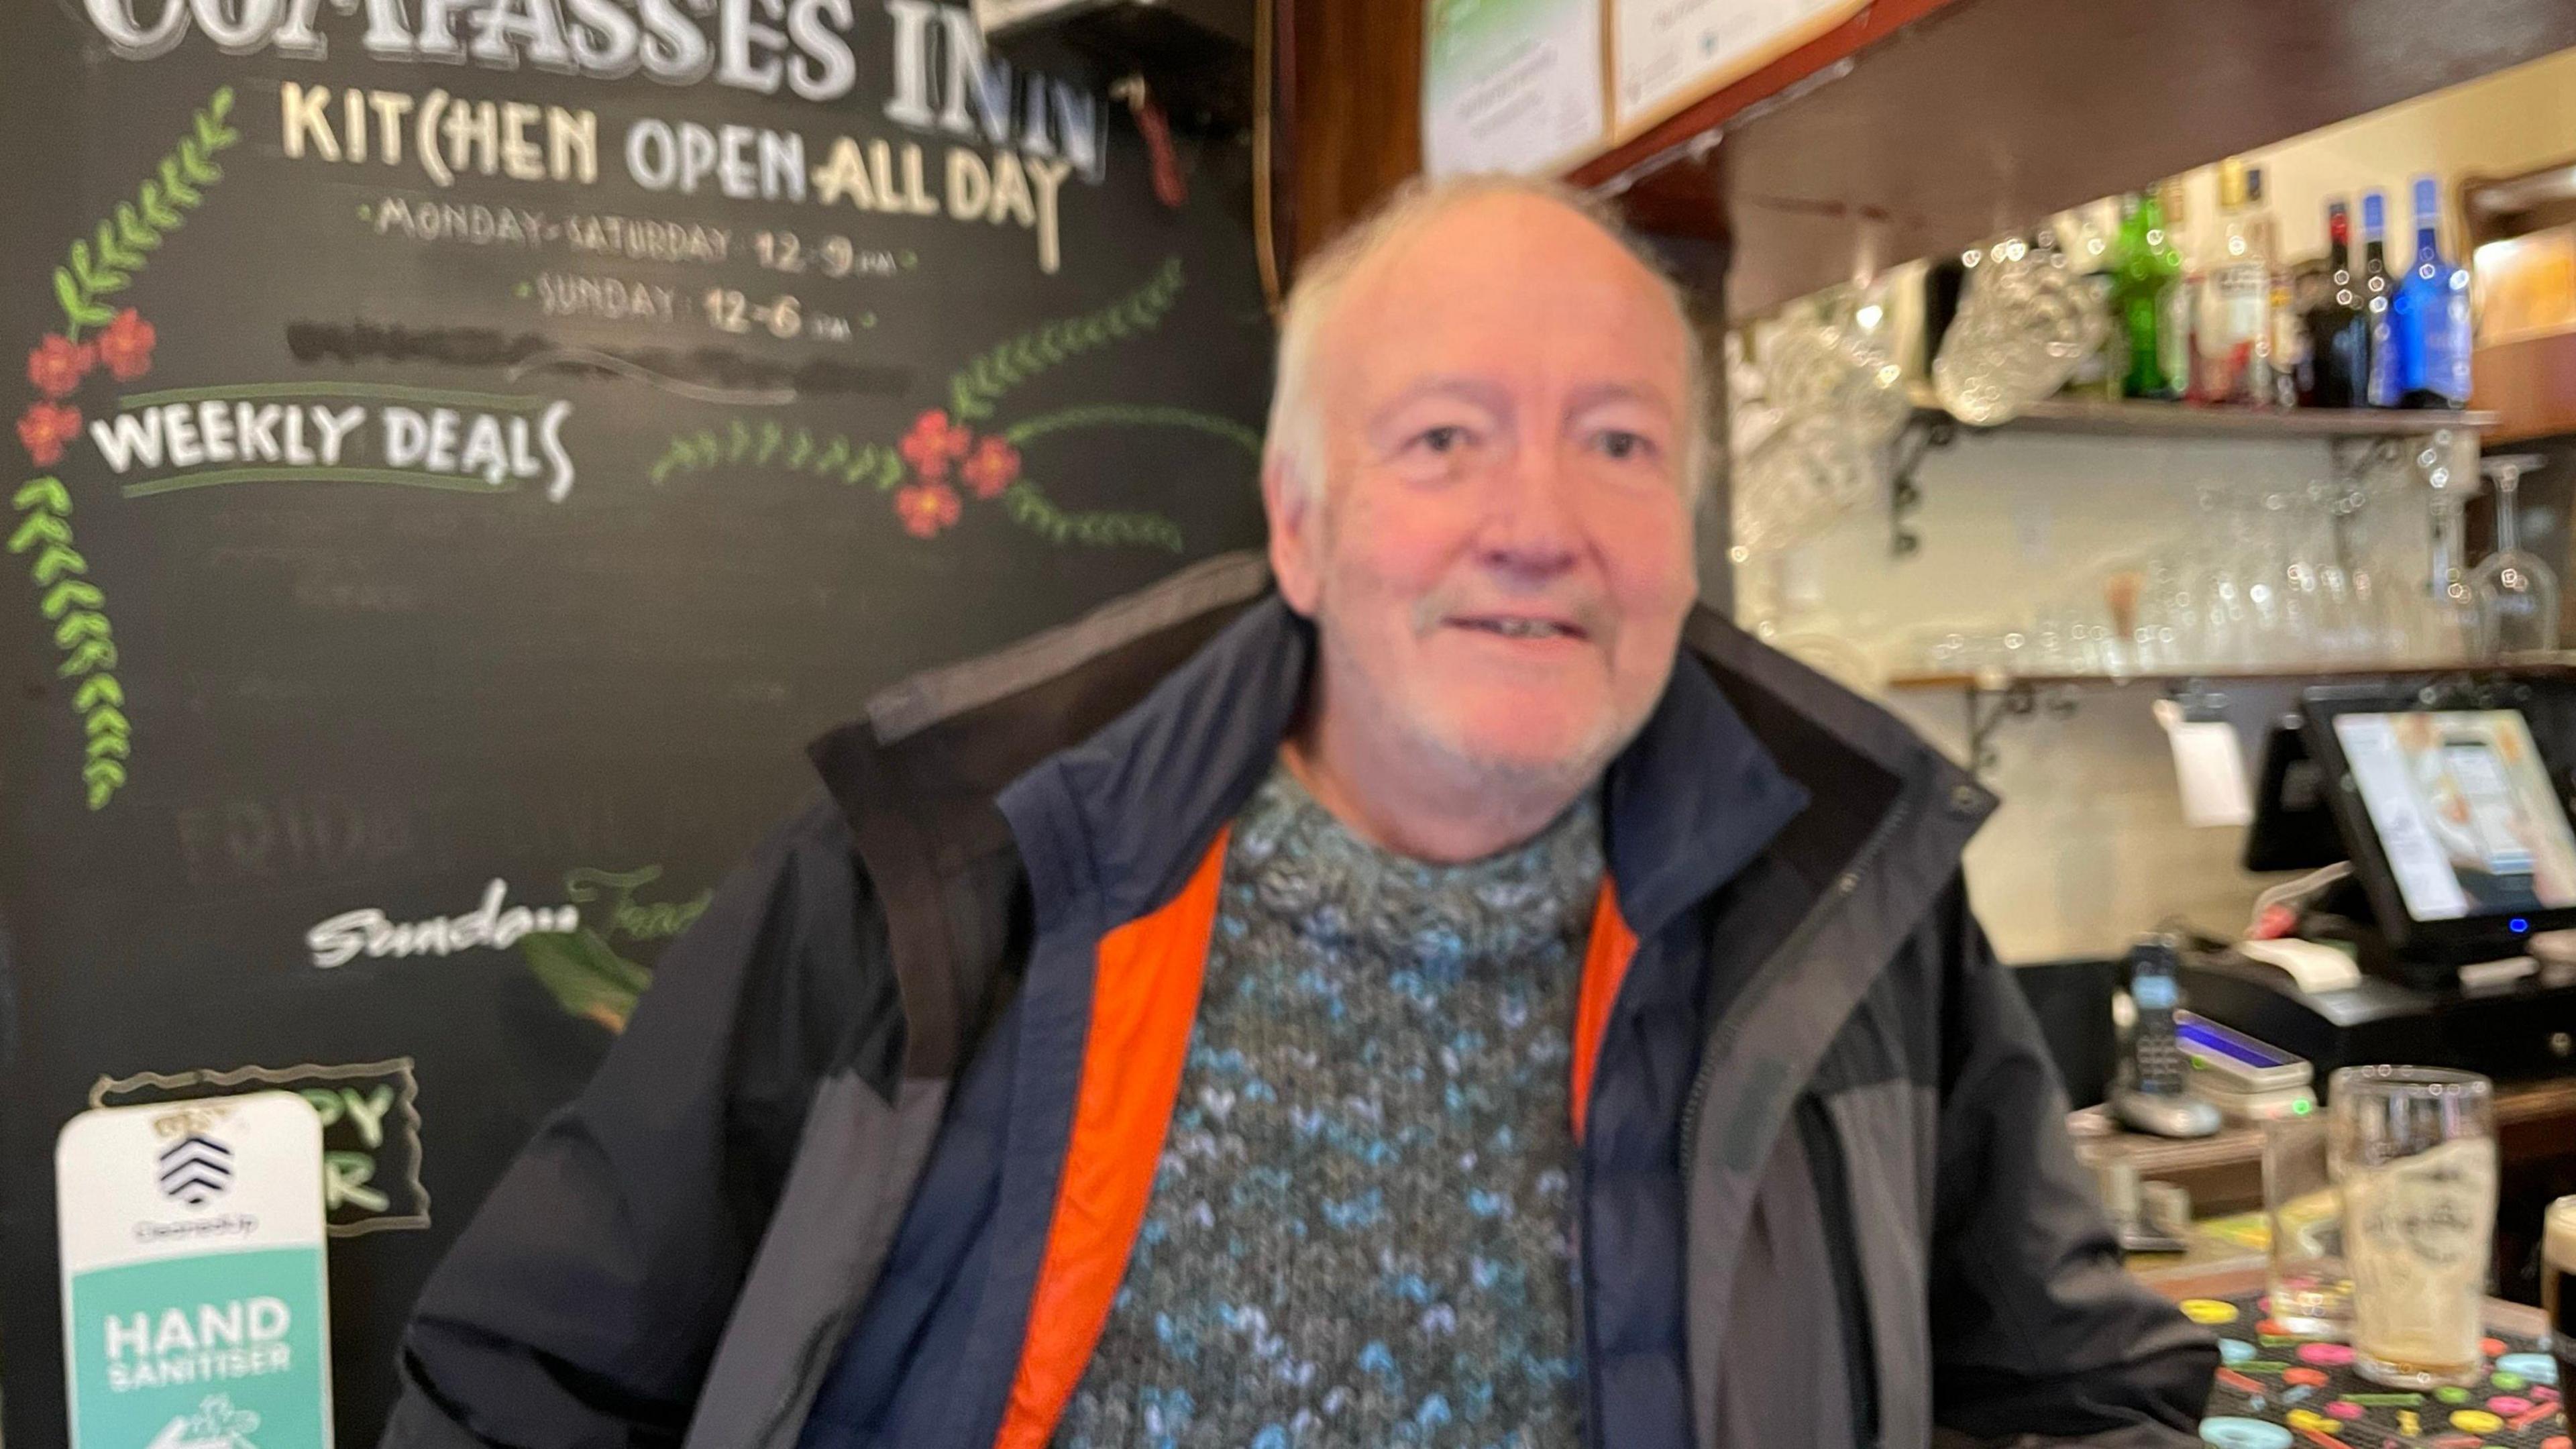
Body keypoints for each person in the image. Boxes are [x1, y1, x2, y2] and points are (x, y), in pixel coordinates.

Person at [384, 175, 2215, 1449]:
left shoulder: (1856, 919)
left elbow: (2087, 1395)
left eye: (1619, 442)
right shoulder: (944, 875)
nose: (1539, 523)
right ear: (1297, 525)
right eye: (1442, 438)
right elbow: (524, 1391)